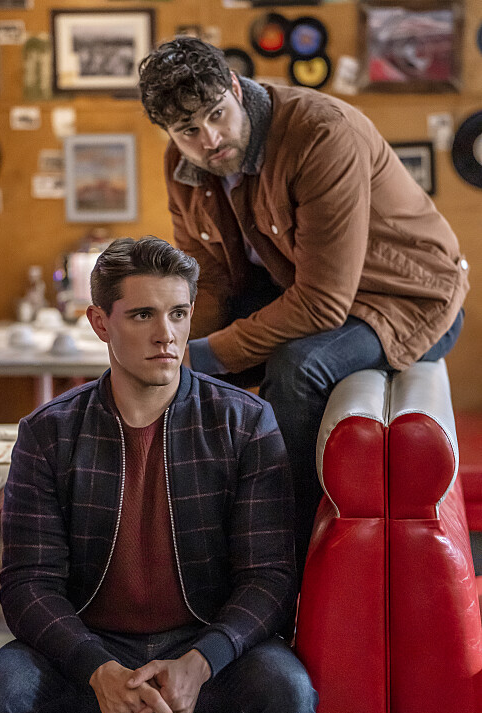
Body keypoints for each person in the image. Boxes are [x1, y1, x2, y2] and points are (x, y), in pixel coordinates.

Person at [0, 235, 317, 713]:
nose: (166, 334)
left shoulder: (245, 421)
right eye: (143, 314)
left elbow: (269, 577)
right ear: (100, 323)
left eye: (178, 314)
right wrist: (98, 670)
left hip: (205, 640)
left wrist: (200, 663)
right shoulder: (48, 432)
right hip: (86, 646)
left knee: (288, 692)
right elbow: (28, 585)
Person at [138, 37, 470, 576]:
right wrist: (170, 348)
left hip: (411, 298)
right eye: (188, 130)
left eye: (217, 115)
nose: (209, 139)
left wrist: (205, 354)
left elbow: (321, 304)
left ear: (236, 88)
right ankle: (182, 541)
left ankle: (282, 561)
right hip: (300, 288)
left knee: (297, 366)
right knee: (173, 369)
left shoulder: (321, 133)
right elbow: (211, 282)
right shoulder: (183, 164)